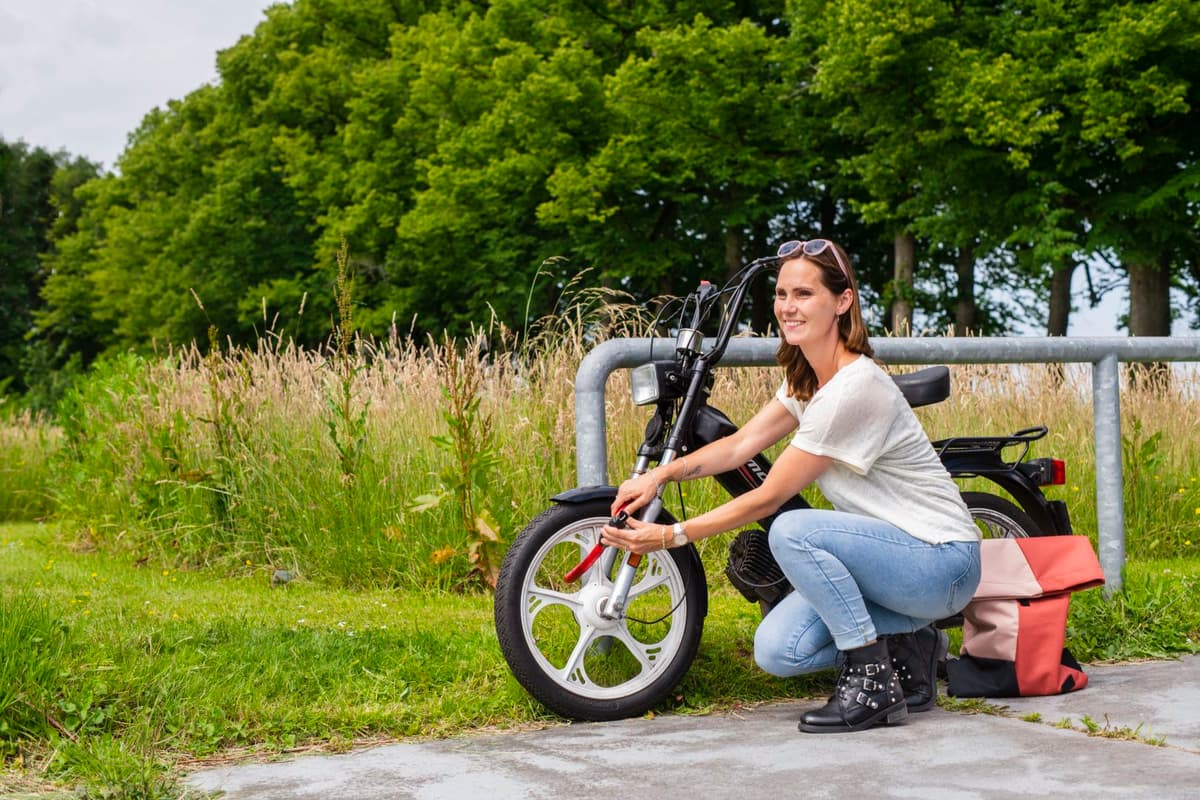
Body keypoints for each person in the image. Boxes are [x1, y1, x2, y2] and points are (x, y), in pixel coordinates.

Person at [601, 238, 982, 734]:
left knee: (792, 529)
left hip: (942, 562)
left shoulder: (854, 387)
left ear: (842, 302)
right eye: (781, 294)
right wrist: (658, 475)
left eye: (804, 294)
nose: (787, 307)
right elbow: (739, 447)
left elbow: (769, 496)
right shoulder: (806, 378)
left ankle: (871, 683)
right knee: (778, 649)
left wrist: (670, 537)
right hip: (890, 561)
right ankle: (913, 646)